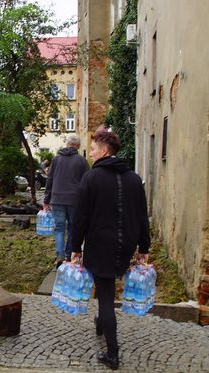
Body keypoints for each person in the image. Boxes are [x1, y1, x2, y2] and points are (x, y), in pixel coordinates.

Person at [71, 128, 150, 370]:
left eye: (93, 149)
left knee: (106, 296)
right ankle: (100, 321)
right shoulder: (134, 179)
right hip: (124, 244)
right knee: (106, 284)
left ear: (105, 151)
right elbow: (142, 216)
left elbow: (80, 217)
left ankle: (113, 353)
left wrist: (75, 247)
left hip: (99, 243)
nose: (91, 153)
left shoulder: (91, 178)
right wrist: (143, 248)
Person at [42, 135, 89, 267]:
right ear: (78, 146)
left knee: (59, 228)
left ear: (67, 144)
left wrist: (46, 199)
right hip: (75, 200)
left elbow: (49, 180)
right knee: (74, 228)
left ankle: (60, 256)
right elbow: (87, 182)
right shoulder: (82, 161)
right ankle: (69, 256)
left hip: (57, 199)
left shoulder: (56, 159)